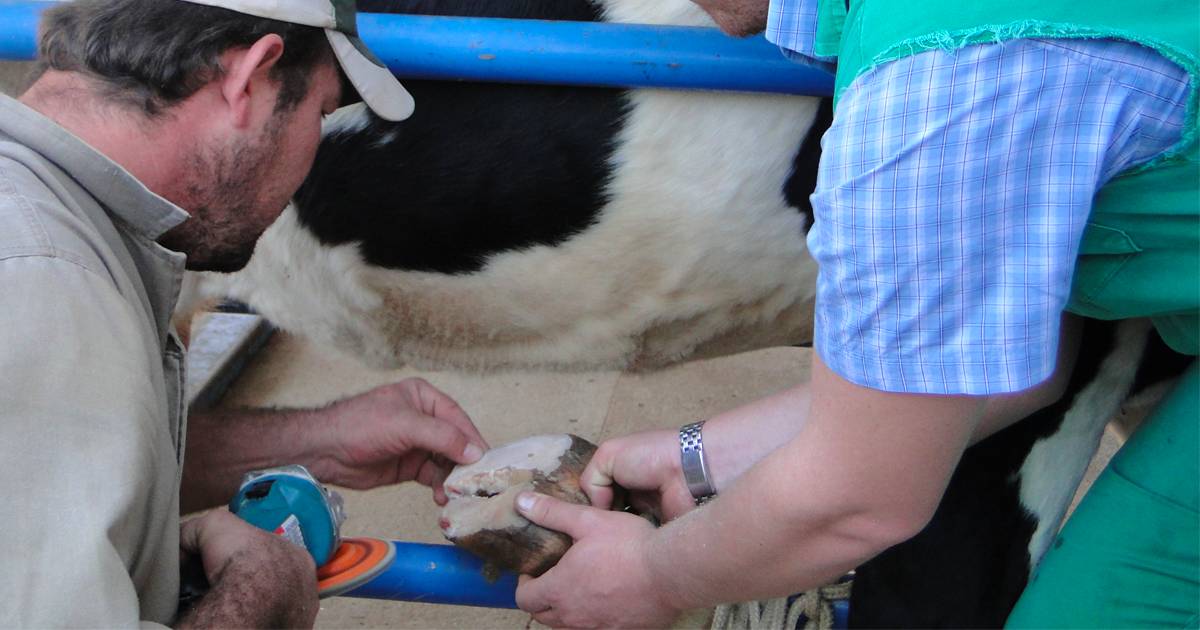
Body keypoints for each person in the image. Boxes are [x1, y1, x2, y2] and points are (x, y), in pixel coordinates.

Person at [512, 0, 1198, 627]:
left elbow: (858, 502)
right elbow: (1011, 365)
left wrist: (652, 577)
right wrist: (697, 457)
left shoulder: (941, 90)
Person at [0, 0, 489, 627]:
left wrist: (318, 442)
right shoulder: (43, 284)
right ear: (251, 79)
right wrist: (266, 591)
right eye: (321, 111)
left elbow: (60, 466)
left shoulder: (52, 232)